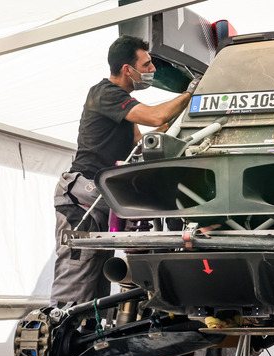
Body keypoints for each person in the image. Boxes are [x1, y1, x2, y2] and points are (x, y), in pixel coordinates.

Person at [50, 35, 198, 306]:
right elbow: (155, 116)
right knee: (75, 285)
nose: (152, 70)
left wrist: (182, 120)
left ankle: (87, 341)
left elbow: (140, 143)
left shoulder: (123, 105)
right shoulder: (104, 93)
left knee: (95, 294)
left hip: (101, 195)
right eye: (148, 64)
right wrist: (190, 94)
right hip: (82, 196)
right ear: (128, 70)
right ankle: (58, 334)